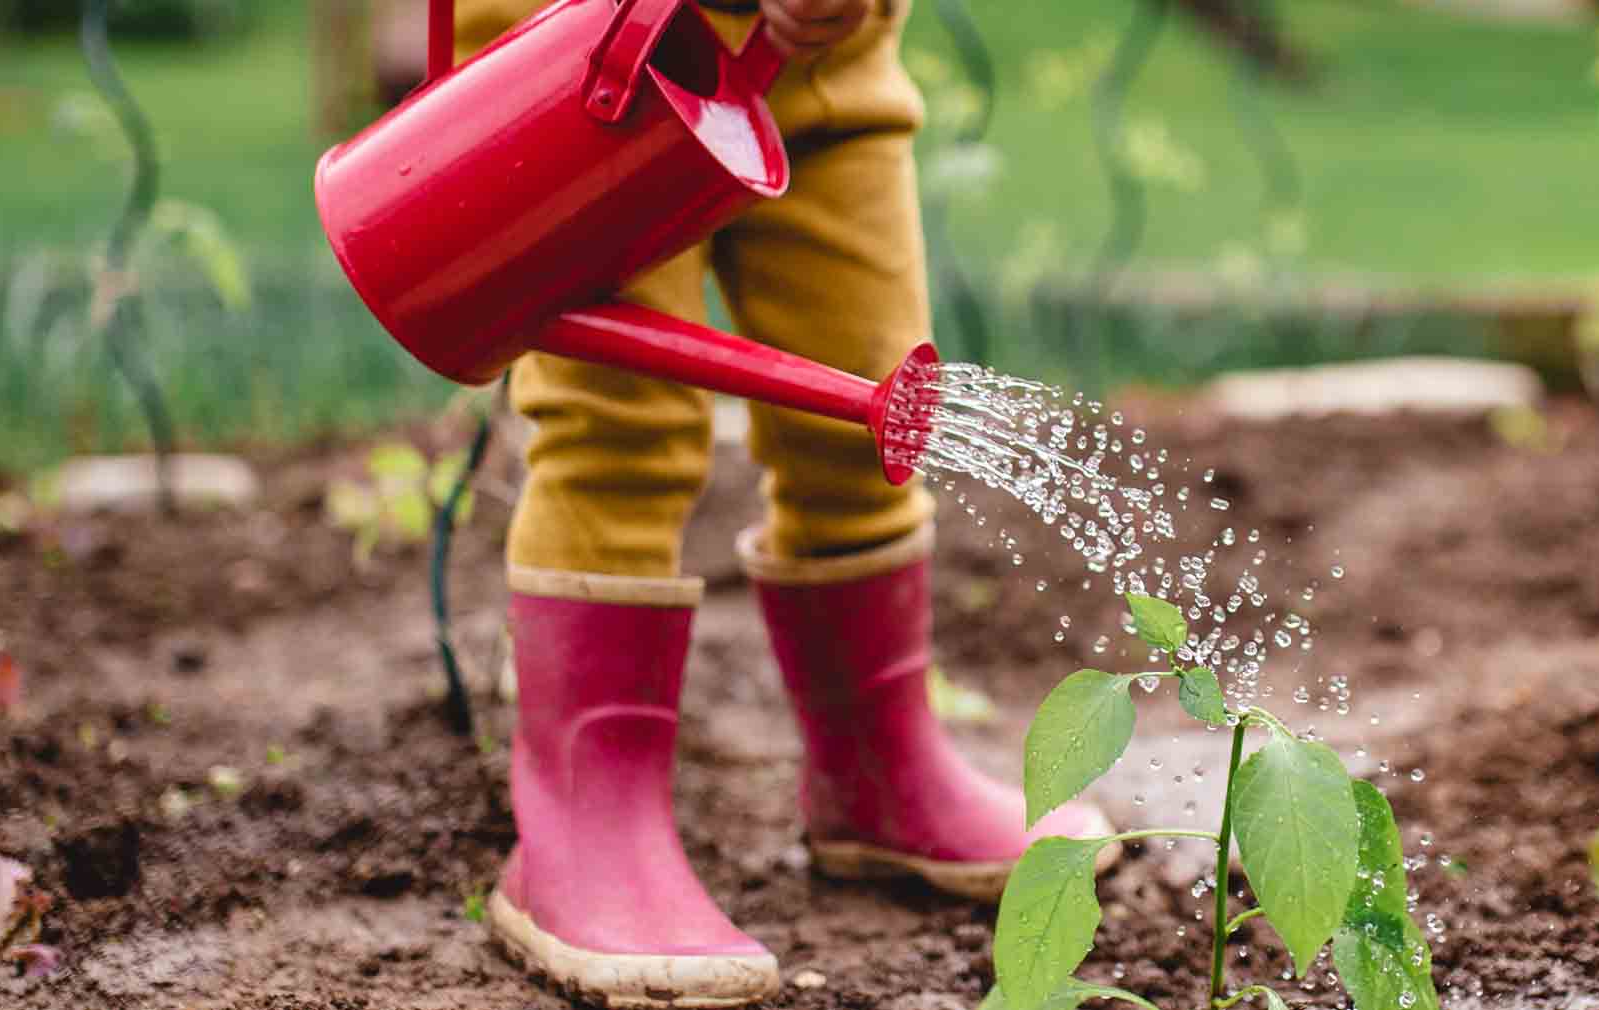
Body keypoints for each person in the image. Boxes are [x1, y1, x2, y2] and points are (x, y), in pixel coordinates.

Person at [449, 1, 1116, 1006]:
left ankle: (880, 771)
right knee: (623, 429)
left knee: (871, 410)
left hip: (832, 57)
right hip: (597, 48)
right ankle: (581, 826)